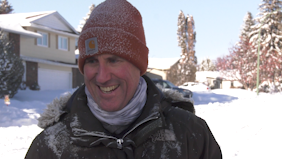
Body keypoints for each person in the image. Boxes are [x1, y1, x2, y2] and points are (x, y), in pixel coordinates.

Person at [25, 0, 222, 158]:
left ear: (139, 66)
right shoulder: (50, 146)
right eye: (92, 61)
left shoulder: (189, 134)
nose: (102, 76)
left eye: (113, 60)